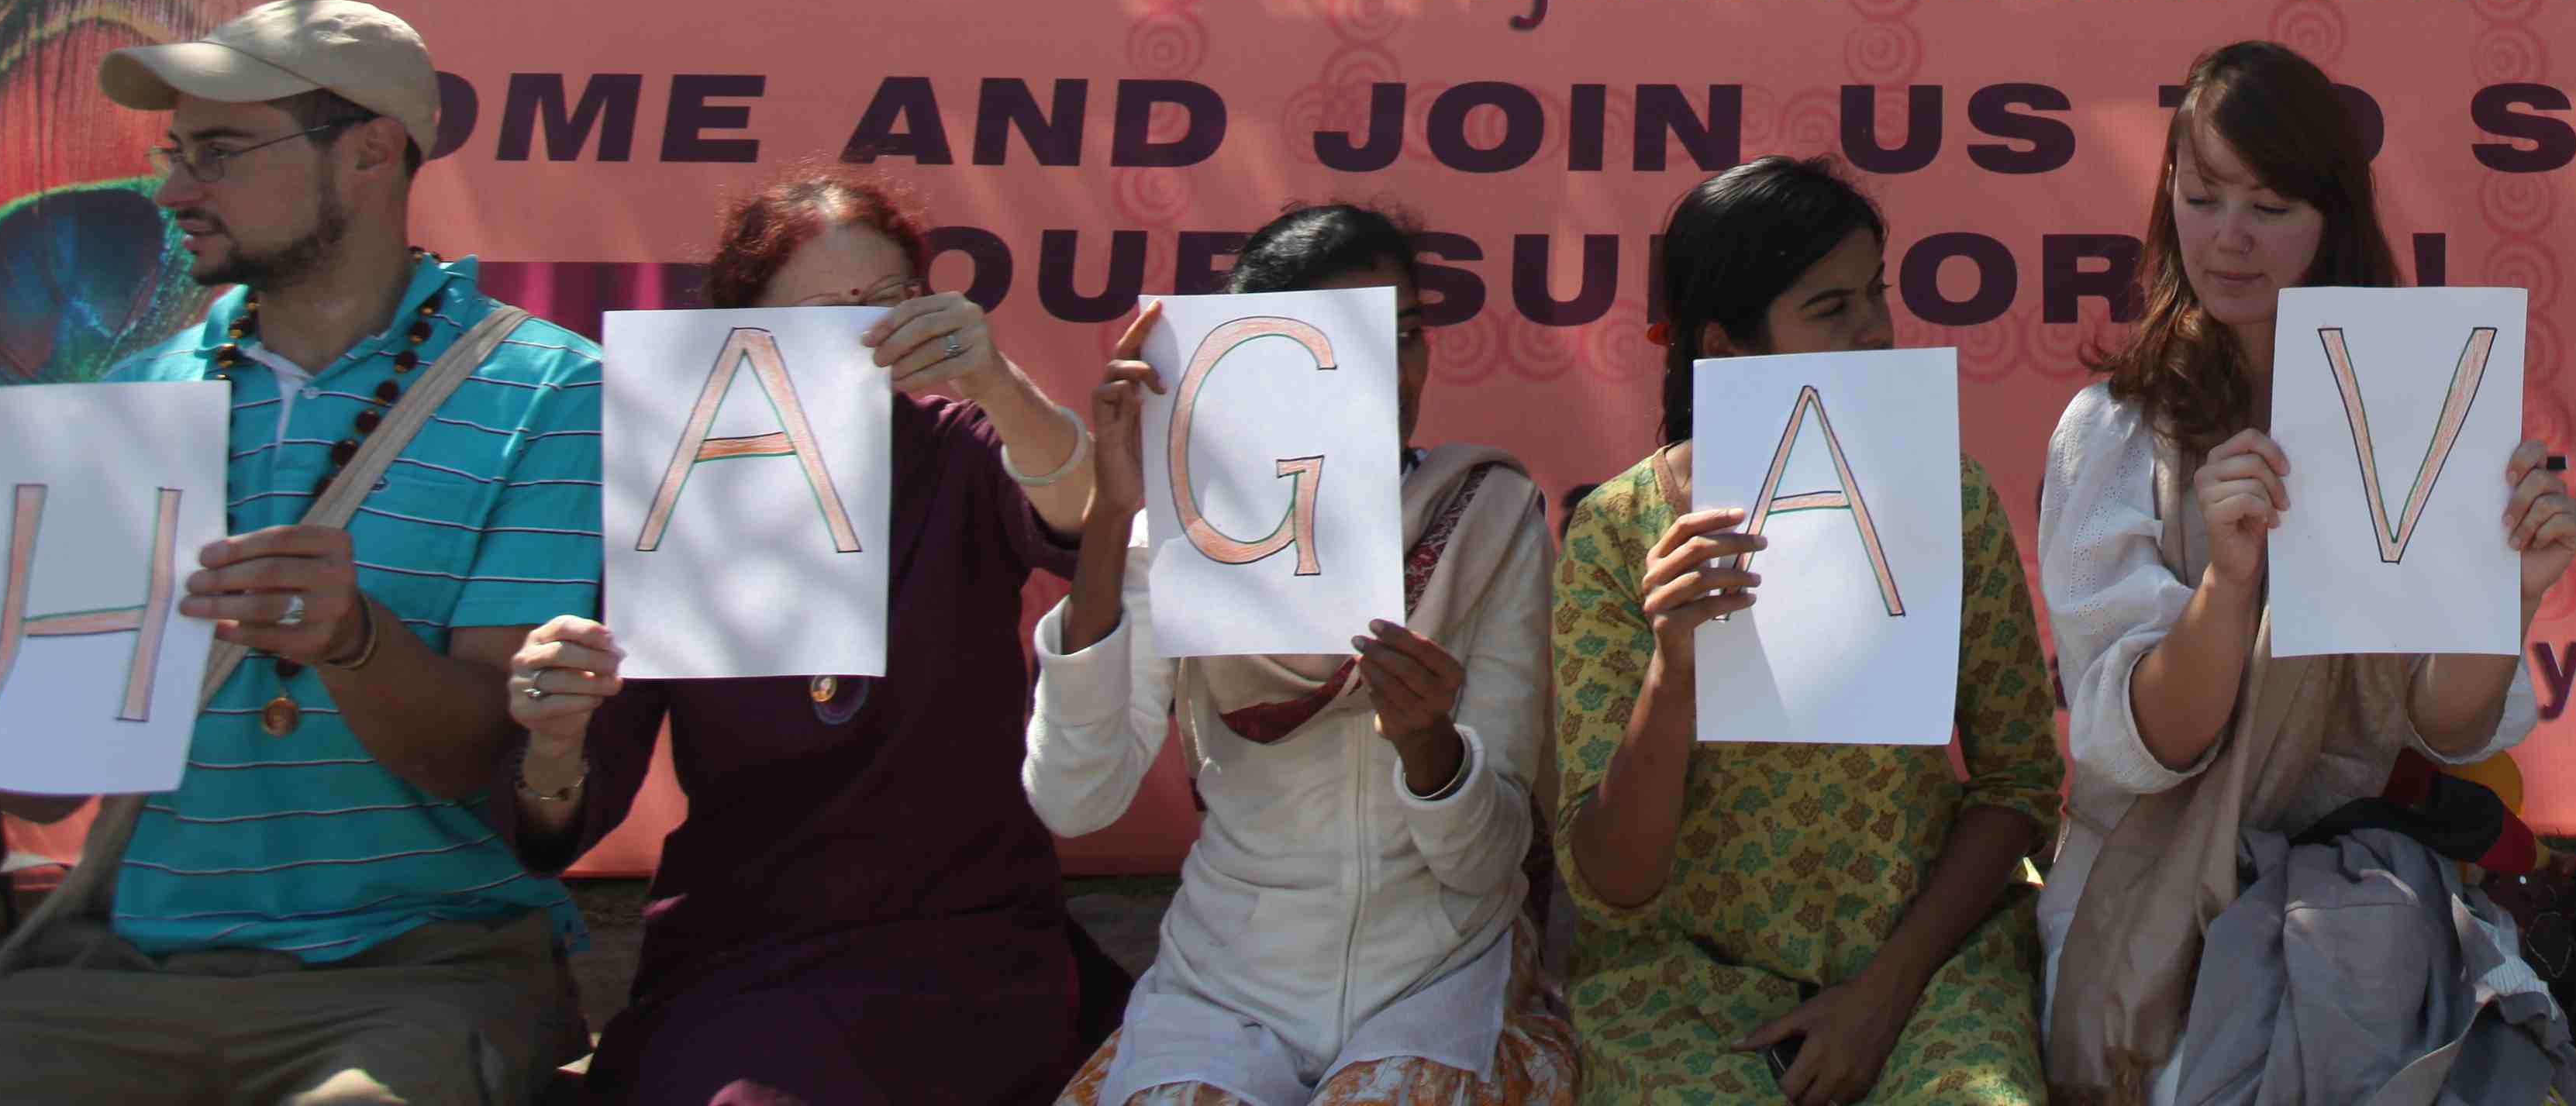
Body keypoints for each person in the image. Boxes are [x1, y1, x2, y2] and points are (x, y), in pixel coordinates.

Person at [0, 0, 605, 1103]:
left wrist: (356, 641)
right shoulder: (132, 397)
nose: (175, 192)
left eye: (221, 152)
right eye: (176, 153)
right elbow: (46, 790)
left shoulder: (551, 391)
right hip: (123, 973)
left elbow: (484, 760)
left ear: (371, 153)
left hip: (420, 968)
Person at [2033, 41, 2576, 1106]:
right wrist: (2228, 586)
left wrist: (2510, 594)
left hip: (2365, 884)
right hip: (2159, 887)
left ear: (2333, 218)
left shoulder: (2417, 412)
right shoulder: (2115, 431)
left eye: (2271, 206)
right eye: (2202, 198)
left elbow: (2445, 724)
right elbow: (2149, 745)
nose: (2228, 238)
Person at [488, 174, 1116, 1106]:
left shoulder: (959, 444)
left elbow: (1093, 522)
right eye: (826, 313)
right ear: (744, 330)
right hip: (747, 947)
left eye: (890, 300)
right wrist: (551, 739)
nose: (862, 333)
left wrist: (997, 381)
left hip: (966, 942)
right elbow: (572, 811)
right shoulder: (683, 488)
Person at [1025, 201, 1569, 1106]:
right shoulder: (1189, 528)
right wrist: (1113, 516)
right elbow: (1075, 802)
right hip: (1227, 986)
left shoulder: (1485, 512)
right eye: (1350, 342)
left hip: (1438, 975)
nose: (1393, 373)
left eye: (1406, 334)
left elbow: (1487, 862)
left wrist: (1430, 749)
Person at [1554, 157, 2061, 1106]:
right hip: (1684, 992)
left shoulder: (1948, 498)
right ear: (1727, 346)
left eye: (1877, 294)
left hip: (1927, 969)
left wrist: (1883, 995)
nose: (1875, 331)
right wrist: (1675, 671)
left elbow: (2018, 786)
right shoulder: (1619, 534)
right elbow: (1613, 878)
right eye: (1830, 310)